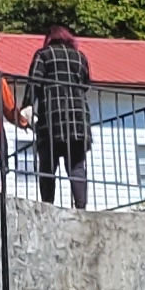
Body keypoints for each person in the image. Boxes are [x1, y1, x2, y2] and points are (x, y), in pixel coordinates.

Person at [24, 18, 93, 208]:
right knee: (77, 167)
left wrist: (27, 107)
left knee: (47, 165)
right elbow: (86, 84)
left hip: (52, 118)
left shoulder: (44, 55)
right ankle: (81, 208)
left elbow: (34, 82)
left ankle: (48, 206)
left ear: (49, 39)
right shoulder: (80, 57)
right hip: (78, 119)